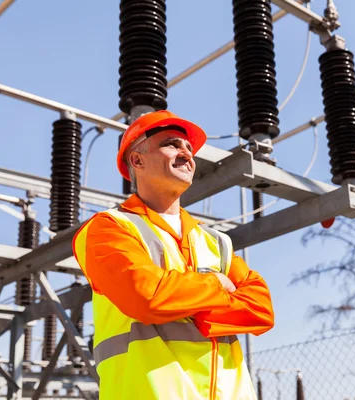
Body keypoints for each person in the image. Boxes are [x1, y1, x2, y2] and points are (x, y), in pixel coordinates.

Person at [72, 110, 275, 399]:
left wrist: (188, 307)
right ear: (137, 160)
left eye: (189, 148)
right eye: (171, 144)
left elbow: (261, 308)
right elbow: (147, 297)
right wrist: (219, 285)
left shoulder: (215, 241)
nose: (186, 154)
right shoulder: (108, 228)